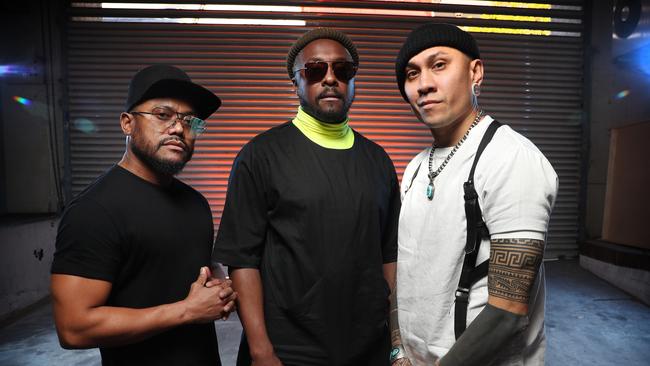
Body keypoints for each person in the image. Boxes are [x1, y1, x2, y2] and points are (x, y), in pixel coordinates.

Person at [212, 28, 400, 366]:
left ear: (353, 81)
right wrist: (261, 351)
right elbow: (243, 259)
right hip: (288, 351)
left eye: (342, 71)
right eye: (315, 70)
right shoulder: (261, 155)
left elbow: (389, 254)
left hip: (368, 349)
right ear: (296, 82)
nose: (330, 79)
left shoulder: (378, 160)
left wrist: (391, 337)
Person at [389, 23, 558, 366]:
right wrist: (397, 351)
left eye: (439, 65)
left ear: (475, 72)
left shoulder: (511, 159)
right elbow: (403, 275)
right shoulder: (417, 167)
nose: (424, 85)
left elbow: (508, 310)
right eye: (412, 74)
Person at [51, 64, 236, 366]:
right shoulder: (94, 211)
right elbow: (74, 328)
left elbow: (185, 266)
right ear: (127, 123)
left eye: (190, 121)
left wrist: (218, 284)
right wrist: (188, 311)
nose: (179, 128)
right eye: (162, 115)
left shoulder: (196, 204)